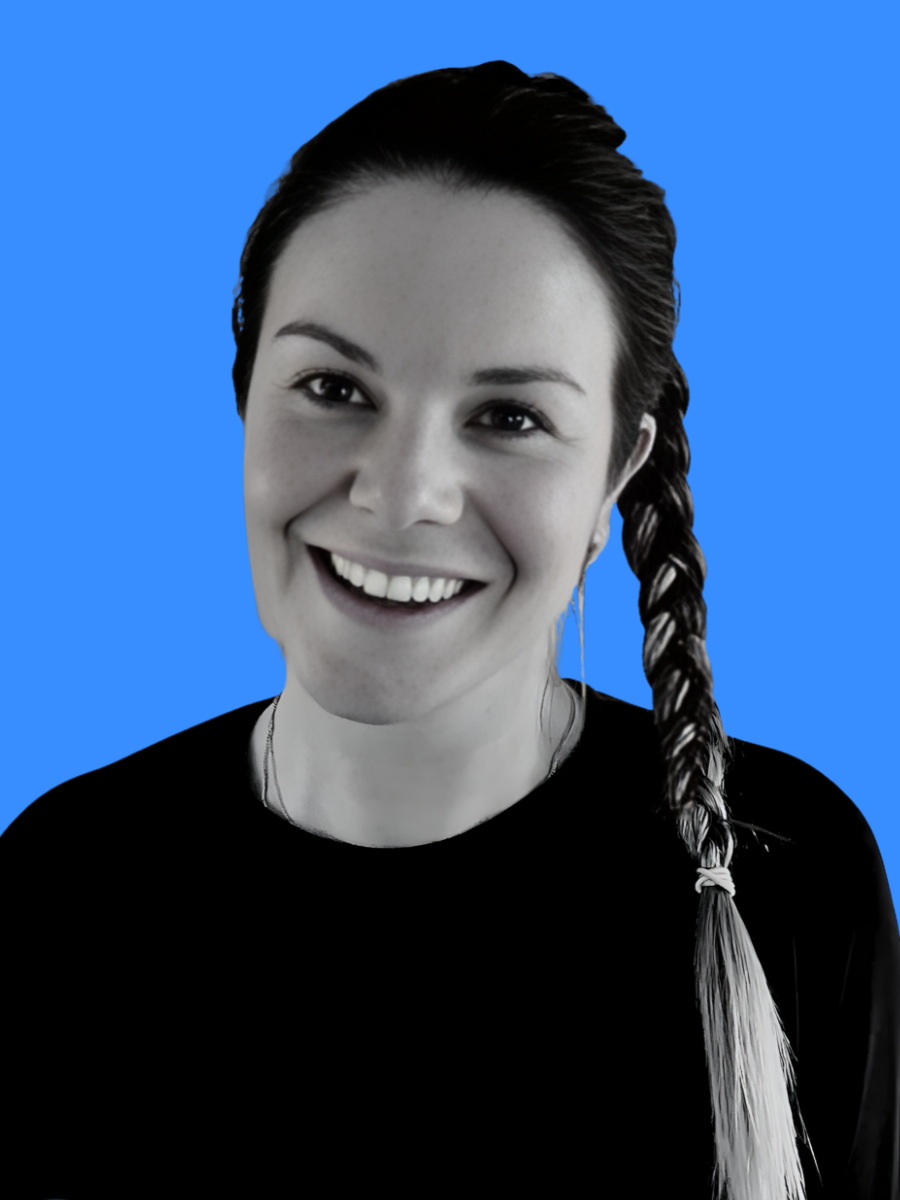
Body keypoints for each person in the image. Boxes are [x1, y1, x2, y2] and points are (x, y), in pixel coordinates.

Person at [1, 61, 897, 1199]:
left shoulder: (789, 882)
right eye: (334, 388)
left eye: (510, 416)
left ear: (616, 474)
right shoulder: (60, 887)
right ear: (244, 393)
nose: (401, 493)